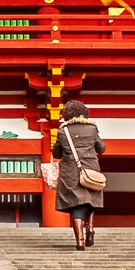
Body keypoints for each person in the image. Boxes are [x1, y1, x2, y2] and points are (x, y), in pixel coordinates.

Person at [50, 100, 106, 248]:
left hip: (71, 171)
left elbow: (56, 153)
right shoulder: (92, 128)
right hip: (91, 168)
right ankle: (91, 229)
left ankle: (79, 240)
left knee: (76, 205)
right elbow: (101, 148)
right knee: (91, 200)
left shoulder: (63, 131)